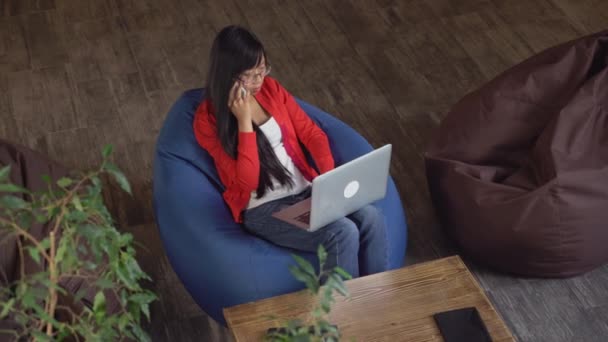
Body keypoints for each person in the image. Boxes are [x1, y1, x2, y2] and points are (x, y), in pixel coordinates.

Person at [193, 25, 388, 278]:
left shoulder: (272, 90)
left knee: (372, 217)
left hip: (306, 191)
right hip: (265, 209)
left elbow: (312, 133)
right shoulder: (206, 120)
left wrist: (329, 181)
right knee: (343, 233)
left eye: (262, 71)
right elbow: (248, 180)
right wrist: (243, 122)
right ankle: (342, 316)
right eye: (249, 76)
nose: (258, 82)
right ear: (228, 75)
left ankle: (379, 303)